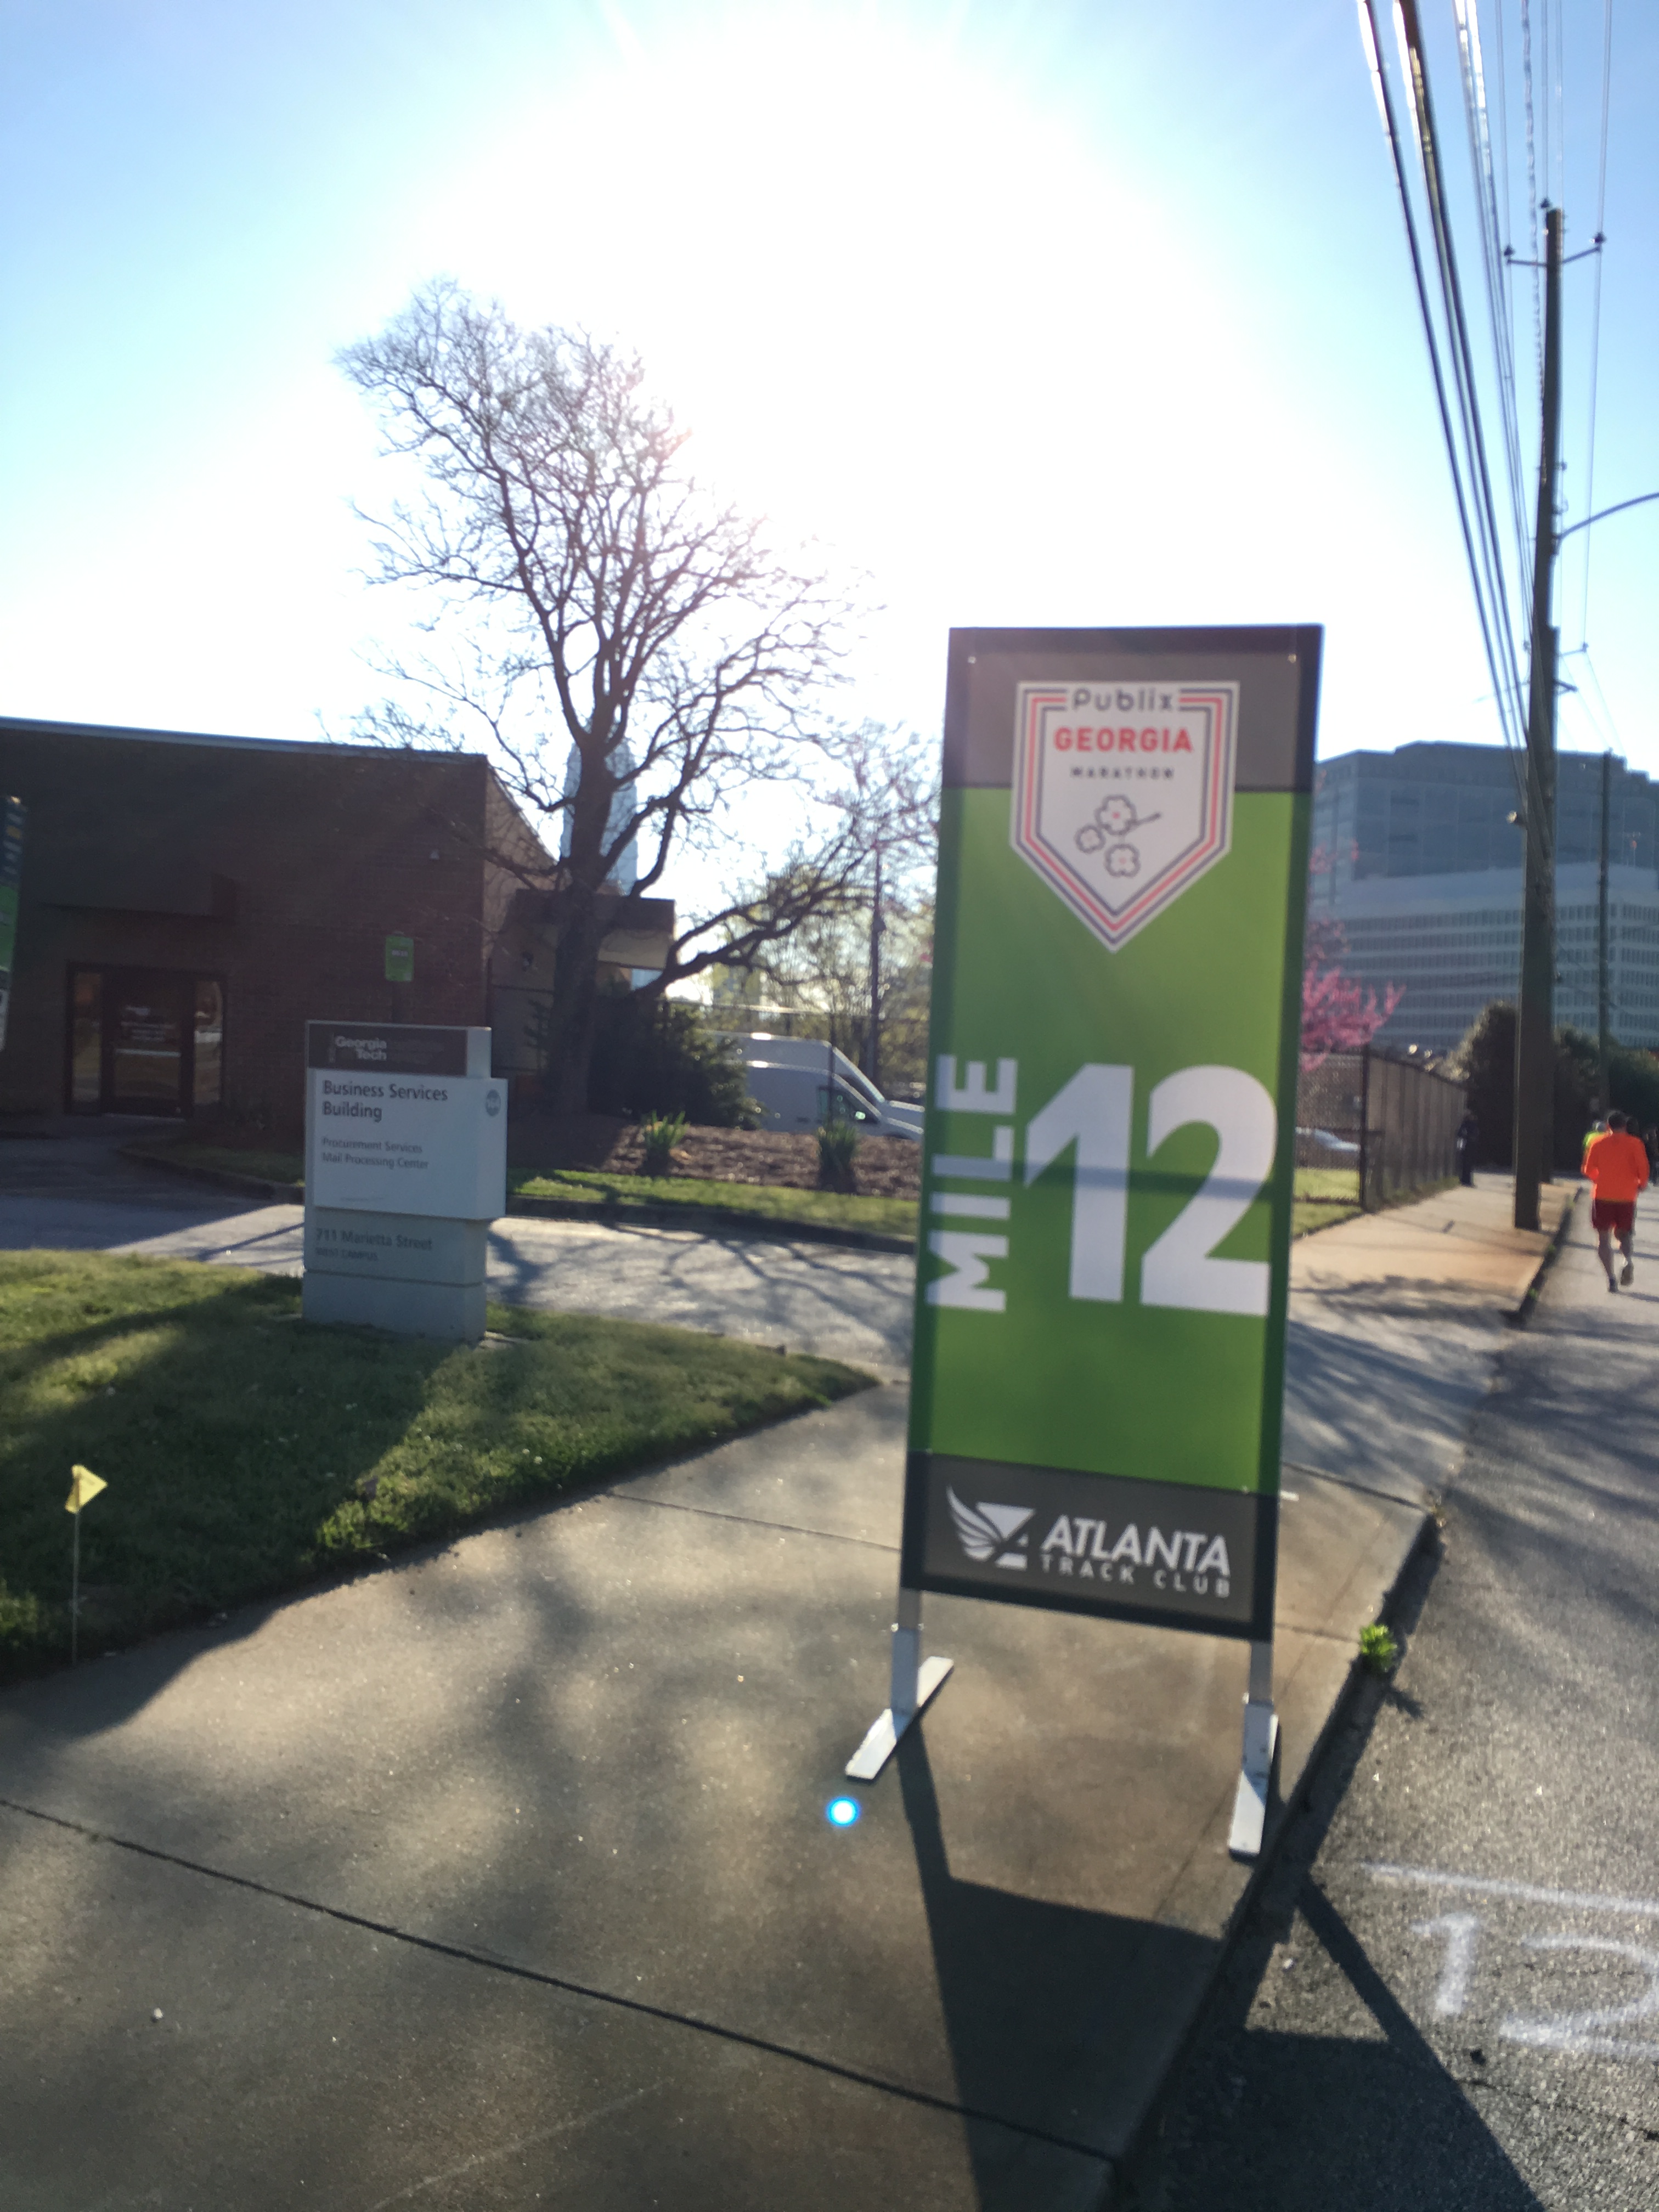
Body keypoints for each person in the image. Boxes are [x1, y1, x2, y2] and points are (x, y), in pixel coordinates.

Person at [1582, 1109, 1651, 1292]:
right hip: (1626, 1196)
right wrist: (1641, 1184)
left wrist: (1599, 1179)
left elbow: (1588, 1169)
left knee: (1603, 1238)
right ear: (1625, 1125)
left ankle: (1611, 1278)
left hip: (1602, 1195)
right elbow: (1643, 1168)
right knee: (1624, 1234)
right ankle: (1627, 1260)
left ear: (1608, 1125)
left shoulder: (1597, 1143)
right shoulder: (1635, 1144)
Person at [1454, 1108, 1479, 1186]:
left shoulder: (1470, 1125)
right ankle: (1465, 1181)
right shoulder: (1467, 1125)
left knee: (1468, 1165)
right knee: (1466, 1165)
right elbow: (1460, 1134)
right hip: (1467, 1146)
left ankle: (1466, 1181)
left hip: (1469, 1147)